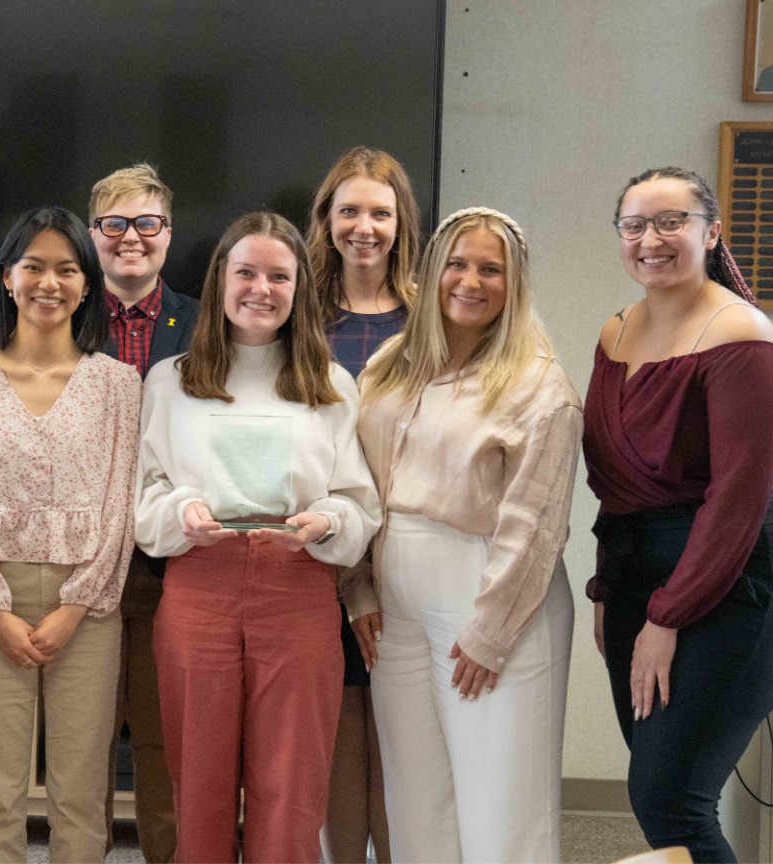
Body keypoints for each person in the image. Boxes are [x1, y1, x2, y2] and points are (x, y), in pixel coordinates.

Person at [136, 212, 380, 863]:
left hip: (298, 596)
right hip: (198, 596)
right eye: (246, 272)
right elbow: (142, 502)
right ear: (221, 281)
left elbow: (359, 505)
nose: (261, 289)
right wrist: (182, 509)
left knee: (292, 792)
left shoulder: (330, 385)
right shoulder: (171, 381)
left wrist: (327, 522)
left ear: (300, 288)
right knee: (200, 790)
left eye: (279, 275)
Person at [349, 207, 580, 862]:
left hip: (488, 599)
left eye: (490, 269)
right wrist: (359, 588)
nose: (470, 281)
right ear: (432, 272)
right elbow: (362, 481)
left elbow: (536, 520)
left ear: (516, 284)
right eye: (457, 263)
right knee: (415, 803)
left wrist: (491, 629)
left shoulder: (538, 384)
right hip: (396, 606)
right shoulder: (392, 365)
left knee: (501, 812)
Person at [0, 207, 141, 863]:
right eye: (33, 266)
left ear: (88, 285)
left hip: (88, 606)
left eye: (67, 269)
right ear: (7, 277)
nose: (48, 282)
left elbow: (121, 505)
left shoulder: (119, 385)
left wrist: (77, 604)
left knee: (80, 793)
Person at [584, 167, 773, 862]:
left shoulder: (742, 334)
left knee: (671, 799)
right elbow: (613, 486)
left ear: (711, 231)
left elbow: (740, 498)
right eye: (634, 225)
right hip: (635, 574)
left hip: (727, 583)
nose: (651, 239)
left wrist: (669, 616)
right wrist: (608, 590)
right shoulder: (615, 331)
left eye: (672, 222)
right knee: (660, 789)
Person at [302, 145, 421, 864]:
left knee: (403, 743)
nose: (364, 227)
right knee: (339, 739)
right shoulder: (299, 317)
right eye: (349, 210)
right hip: (328, 560)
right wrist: (351, 579)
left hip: (410, 559)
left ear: (401, 220)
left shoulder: (434, 318)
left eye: (380, 212)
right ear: (327, 219)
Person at [86, 162, 195, 863]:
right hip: (83, 565)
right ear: (92, 235)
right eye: (115, 224)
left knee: (165, 745)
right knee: (82, 743)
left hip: (172, 568)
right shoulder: (58, 314)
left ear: (168, 233)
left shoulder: (207, 321)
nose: (132, 238)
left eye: (147, 223)